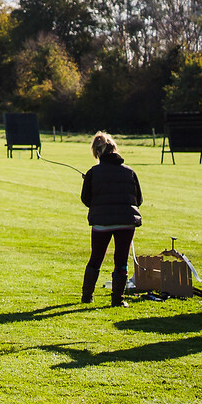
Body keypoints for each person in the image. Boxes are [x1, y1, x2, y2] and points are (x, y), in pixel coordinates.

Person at [80, 131, 142, 308]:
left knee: (96, 258)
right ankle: (117, 300)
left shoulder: (93, 172)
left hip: (101, 222)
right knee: (121, 260)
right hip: (127, 222)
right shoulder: (130, 172)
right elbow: (139, 200)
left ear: (97, 153)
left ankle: (87, 296)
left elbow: (86, 200)